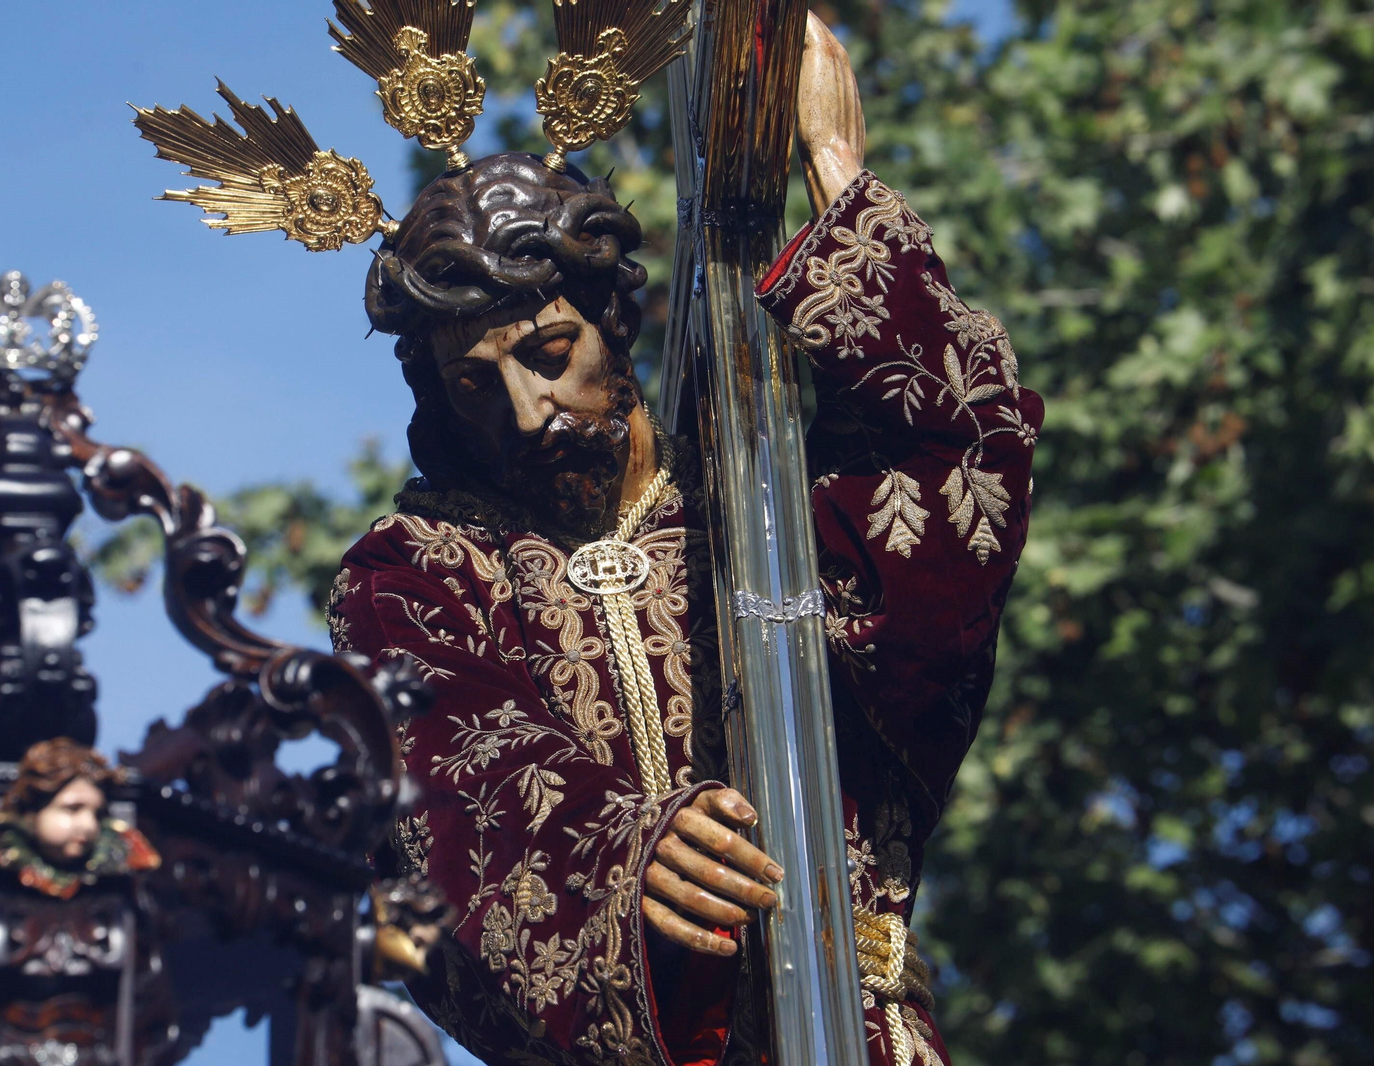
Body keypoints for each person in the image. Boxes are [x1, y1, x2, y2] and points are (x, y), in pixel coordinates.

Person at [325, 16, 1044, 1066]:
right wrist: (623, 853)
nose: (529, 410)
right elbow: (444, 781)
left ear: (614, 318)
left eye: (549, 350)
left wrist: (838, 177)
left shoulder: (761, 503)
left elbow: (963, 456)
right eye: (478, 382)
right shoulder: (418, 573)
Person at [0, 737, 159, 898]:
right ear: (32, 812)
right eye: (72, 809)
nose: (88, 825)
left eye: (97, 815)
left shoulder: (116, 876)